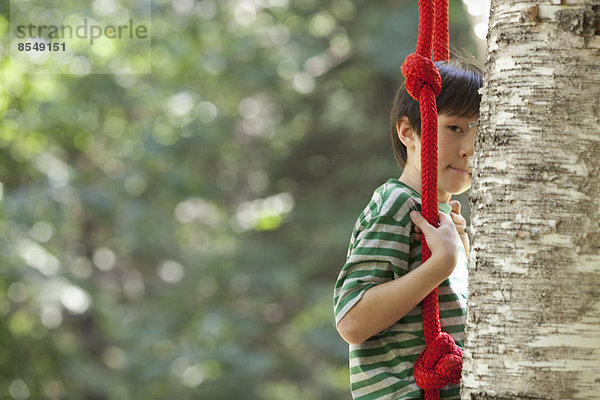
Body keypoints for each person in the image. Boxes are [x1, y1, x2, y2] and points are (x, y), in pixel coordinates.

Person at [333, 58, 483, 399]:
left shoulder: (446, 219)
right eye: (455, 128)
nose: (468, 149)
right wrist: (441, 264)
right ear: (408, 132)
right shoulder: (397, 205)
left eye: (480, 129)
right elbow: (352, 321)